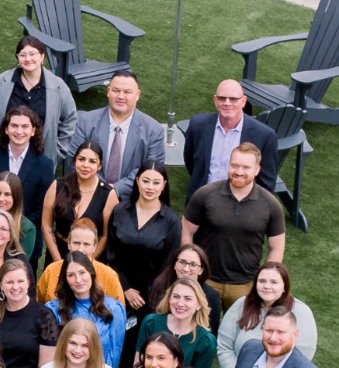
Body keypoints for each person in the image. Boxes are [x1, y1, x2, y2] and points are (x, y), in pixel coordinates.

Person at [182, 143, 285, 308]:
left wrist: (265, 279)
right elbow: (187, 231)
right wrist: (189, 269)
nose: (239, 171)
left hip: (245, 285)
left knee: (242, 324)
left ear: (257, 169)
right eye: (234, 165)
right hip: (205, 280)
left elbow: (277, 248)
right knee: (202, 324)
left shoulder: (270, 204)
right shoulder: (205, 194)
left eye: (246, 167)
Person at [215, 263, 316, 368]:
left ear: (284, 287)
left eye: (274, 282)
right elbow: (224, 346)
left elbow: (303, 354)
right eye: (262, 281)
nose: (267, 286)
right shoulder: (241, 305)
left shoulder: (301, 312)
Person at [0, 107, 55, 258]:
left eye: (25, 126)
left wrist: (13, 227)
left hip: (24, 237)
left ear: (33, 131)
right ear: (6, 129)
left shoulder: (45, 165)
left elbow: (42, 208)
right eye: (14, 125)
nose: (19, 131)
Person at [0, 36, 79, 164]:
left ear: (42, 57)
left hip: (41, 158)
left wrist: (58, 151)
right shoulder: (1, 82)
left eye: (32, 54)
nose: (28, 59)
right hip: (3, 155)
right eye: (23, 55)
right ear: (18, 58)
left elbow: (70, 118)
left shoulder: (58, 87)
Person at [69, 72, 165, 201]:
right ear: (108, 92)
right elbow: (74, 159)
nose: (120, 96)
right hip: (88, 195)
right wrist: (100, 188)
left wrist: (115, 190)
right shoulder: (86, 121)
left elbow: (152, 171)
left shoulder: (154, 130)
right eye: (116, 90)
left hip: (132, 200)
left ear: (137, 95)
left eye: (127, 92)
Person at [106, 161, 181, 318]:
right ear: (137, 181)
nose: (150, 187)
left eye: (156, 183)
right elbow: (111, 255)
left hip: (152, 296)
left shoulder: (171, 221)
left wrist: (148, 295)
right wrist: (126, 289)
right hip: (117, 289)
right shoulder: (120, 211)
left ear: (164, 185)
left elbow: (168, 265)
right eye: (145, 181)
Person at [183, 80, 279, 198]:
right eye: (222, 98)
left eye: (233, 99)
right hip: (201, 199)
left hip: (240, 203)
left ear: (243, 101)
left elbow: (266, 183)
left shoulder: (264, 136)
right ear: (215, 100)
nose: (227, 103)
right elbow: (191, 163)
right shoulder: (198, 125)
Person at [46, 252, 127, 368]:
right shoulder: (53, 309)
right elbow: (49, 356)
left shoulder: (114, 309)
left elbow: (114, 354)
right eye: (71, 275)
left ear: (91, 273)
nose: (78, 280)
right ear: (65, 279)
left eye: (82, 272)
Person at [133, 278, 215, 368]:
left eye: (188, 299)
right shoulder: (151, 323)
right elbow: (138, 366)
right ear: (169, 299)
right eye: (176, 296)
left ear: (199, 304)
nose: (180, 303)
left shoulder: (206, 341)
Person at [43, 141, 119, 259]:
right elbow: (47, 225)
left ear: (99, 165)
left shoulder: (108, 194)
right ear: (74, 161)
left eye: (92, 161)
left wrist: (88, 261)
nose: (85, 165)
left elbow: (105, 236)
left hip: (92, 257)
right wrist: (57, 259)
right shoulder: (58, 185)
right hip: (58, 253)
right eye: (81, 159)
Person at [35, 220, 124, 304]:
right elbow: (38, 304)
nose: (80, 249)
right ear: (68, 244)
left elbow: (118, 310)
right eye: (76, 243)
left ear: (94, 246)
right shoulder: (51, 271)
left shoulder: (109, 276)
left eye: (86, 244)